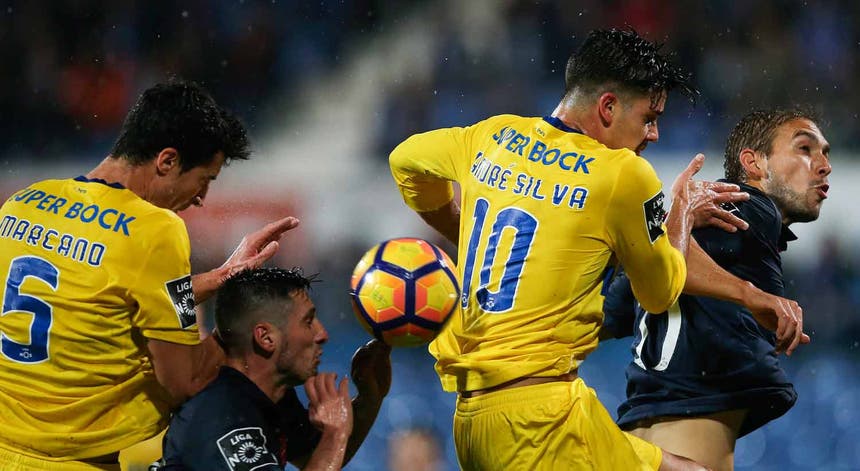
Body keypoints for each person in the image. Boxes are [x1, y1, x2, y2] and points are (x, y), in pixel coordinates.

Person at [388, 28, 806, 470]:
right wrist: (679, 219)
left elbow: (405, 161)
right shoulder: (622, 175)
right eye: (649, 117)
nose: (655, 134)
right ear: (608, 107)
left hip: (476, 415)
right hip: (540, 421)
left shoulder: (495, 136)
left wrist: (464, 228)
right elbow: (659, 293)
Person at [0, 81, 299, 469]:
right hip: (69, 461)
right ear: (168, 161)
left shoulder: (25, 203)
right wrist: (245, 329)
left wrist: (220, 276)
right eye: (205, 180)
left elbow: (104, 301)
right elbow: (185, 381)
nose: (201, 198)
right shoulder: (156, 230)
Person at [602, 108, 831, 471]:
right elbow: (670, 260)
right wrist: (752, 295)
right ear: (754, 163)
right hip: (684, 453)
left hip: (639, 447)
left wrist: (671, 220)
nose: (823, 165)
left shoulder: (698, 224)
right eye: (805, 149)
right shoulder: (749, 207)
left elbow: (611, 311)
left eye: (826, 153)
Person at [160, 267, 392, 470]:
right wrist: (335, 434)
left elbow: (315, 456)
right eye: (308, 322)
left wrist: (370, 397)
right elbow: (328, 451)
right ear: (266, 338)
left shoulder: (266, 397)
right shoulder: (223, 420)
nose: (322, 334)